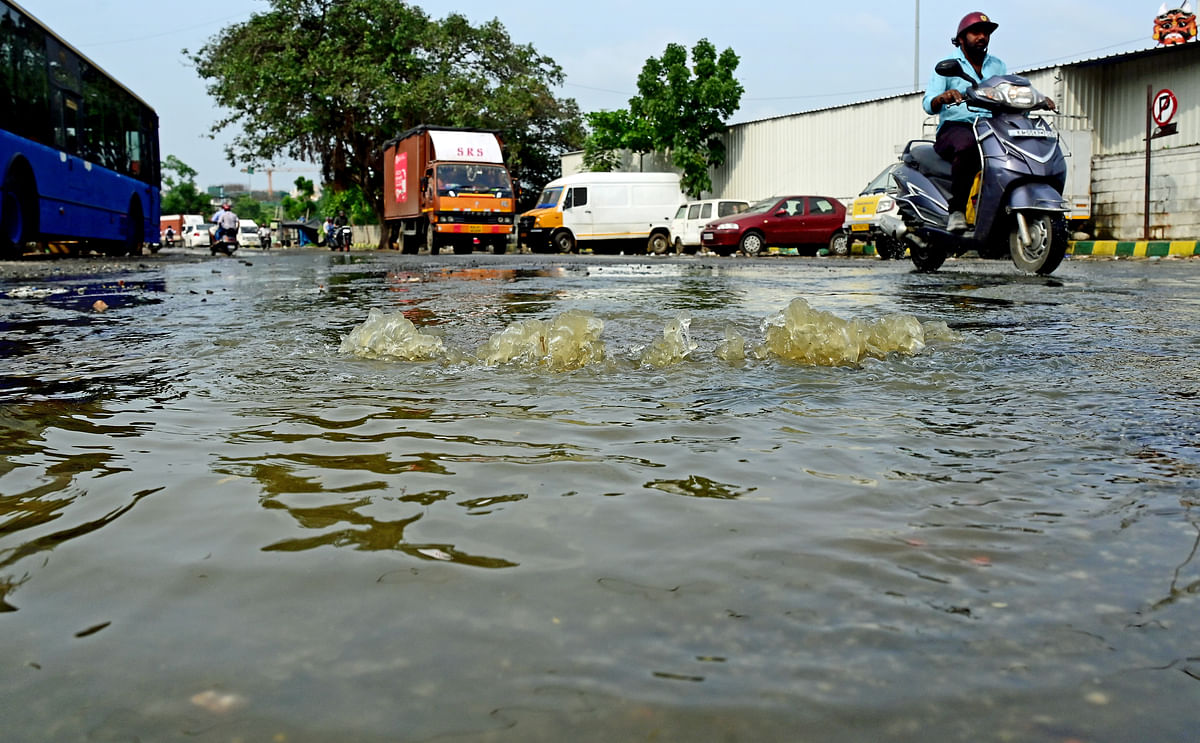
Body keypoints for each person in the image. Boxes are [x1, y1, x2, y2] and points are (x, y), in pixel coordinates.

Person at [922, 11, 1006, 233]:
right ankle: (957, 211)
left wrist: (1035, 101)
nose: (982, 37)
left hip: (990, 126)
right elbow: (928, 102)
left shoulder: (998, 66)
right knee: (969, 146)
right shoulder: (947, 65)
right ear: (961, 38)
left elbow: (1007, 93)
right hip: (957, 127)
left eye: (986, 33)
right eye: (976, 32)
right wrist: (943, 97)